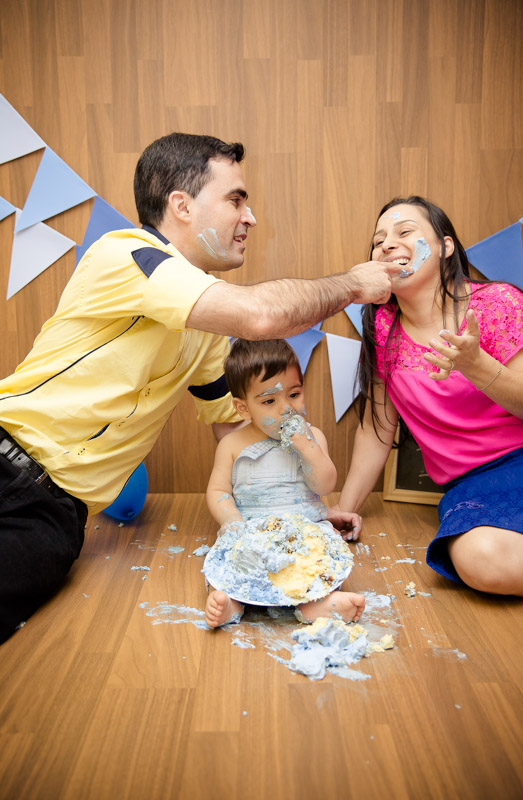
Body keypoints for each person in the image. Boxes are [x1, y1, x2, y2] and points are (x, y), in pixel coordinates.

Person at [0, 132, 400, 642]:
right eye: (236, 199)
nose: (250, 217)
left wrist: (297, 507)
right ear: (181, 206)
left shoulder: (206, 338)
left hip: (55, 516)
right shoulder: (126, 255)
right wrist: (351, 284)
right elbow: (260, 315)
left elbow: (238, 425)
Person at [335, 195, 523, 596]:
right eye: (379, 240)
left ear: (444, 247)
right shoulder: (383, 330)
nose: (387, 244)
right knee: (482, 559)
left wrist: (477, 366)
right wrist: (345, 509)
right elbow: (376, 431)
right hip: (472, 485)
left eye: (404, 232)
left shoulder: (498, 304)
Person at [204, 338, 365, 628]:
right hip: (252, 532)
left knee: (319, 564)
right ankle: (232, 603)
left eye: (294, 394)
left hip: (305, 532)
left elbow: (325, 486)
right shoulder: (232, 444)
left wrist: (307, 447)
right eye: (269, 401)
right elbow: (218, 491)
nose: (286, 408)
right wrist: (232, 523)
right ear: (243, 408)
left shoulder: (312, 435)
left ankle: (318, 604)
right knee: (231, 565)